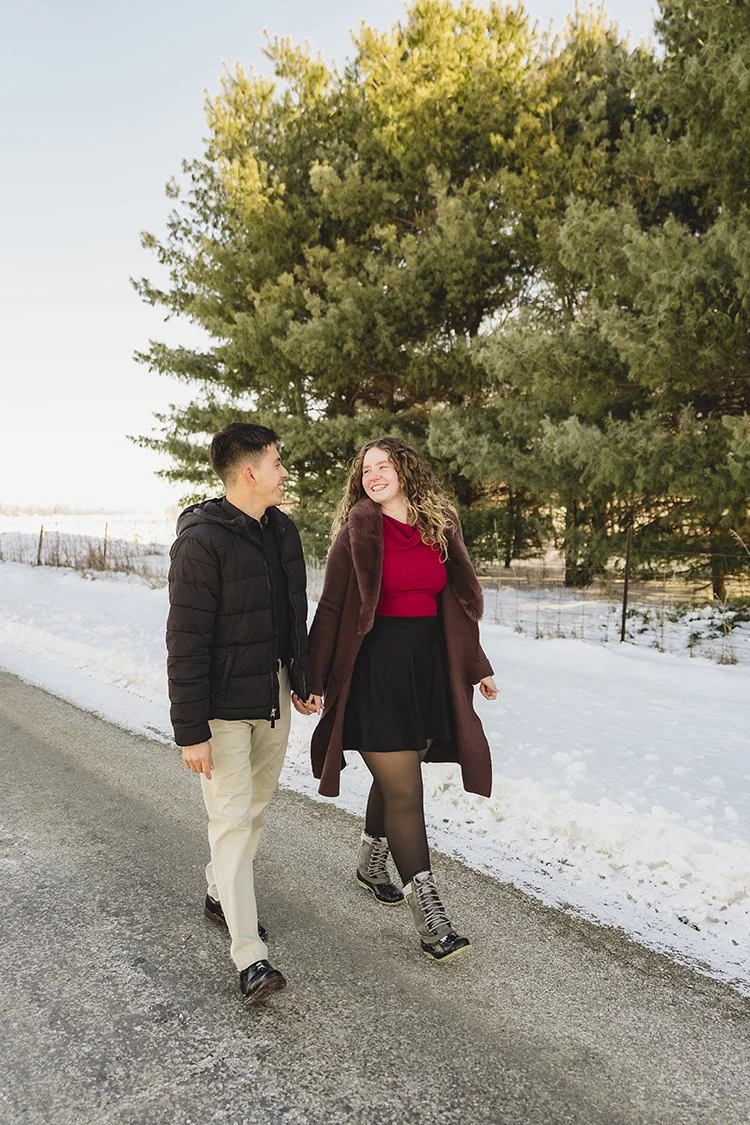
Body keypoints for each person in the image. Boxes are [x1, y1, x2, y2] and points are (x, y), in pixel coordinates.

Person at [304, 436, 497, 962]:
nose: (374, 474)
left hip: (426, 673)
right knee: (405, 790)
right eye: (367, 469)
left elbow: (458, 604)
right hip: (374, 674)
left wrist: (476, 667)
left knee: (401, 772)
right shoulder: (356, 533)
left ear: (407, 470)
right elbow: (331, 608)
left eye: (384, 465)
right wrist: (313, 679)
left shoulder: (440, 527)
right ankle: (432, 919)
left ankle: (371, 862)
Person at [166, 422, 319, 1004]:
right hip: (222, 711)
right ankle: (249, 956)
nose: (285, 472)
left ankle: (217, 892)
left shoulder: (282, 531)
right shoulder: (201, 541)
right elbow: (186, 640)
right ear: (250, 471)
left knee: (254, 812)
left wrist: (301, 681)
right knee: (231, 820)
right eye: (278, 462)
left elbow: (291, 618)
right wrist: (192, 733)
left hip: (272, 697)